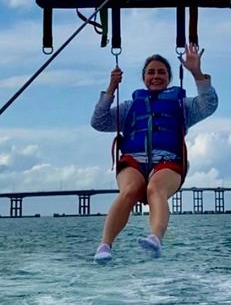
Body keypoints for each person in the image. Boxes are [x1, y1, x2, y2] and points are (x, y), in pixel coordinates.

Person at [90, 44, 218, 262]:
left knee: (155, 188)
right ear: (144, 78)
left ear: (169, 77)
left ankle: (156, 238)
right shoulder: (130, 107)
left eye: (161, 72)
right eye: (151, 72)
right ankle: (104, 246)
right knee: (129, 190)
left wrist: (196, 72)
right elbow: (99, 122)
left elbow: (209, 105)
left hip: (168, 162)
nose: (156, 76)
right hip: (133, 162)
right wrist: (111, 87)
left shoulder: (182, 106)